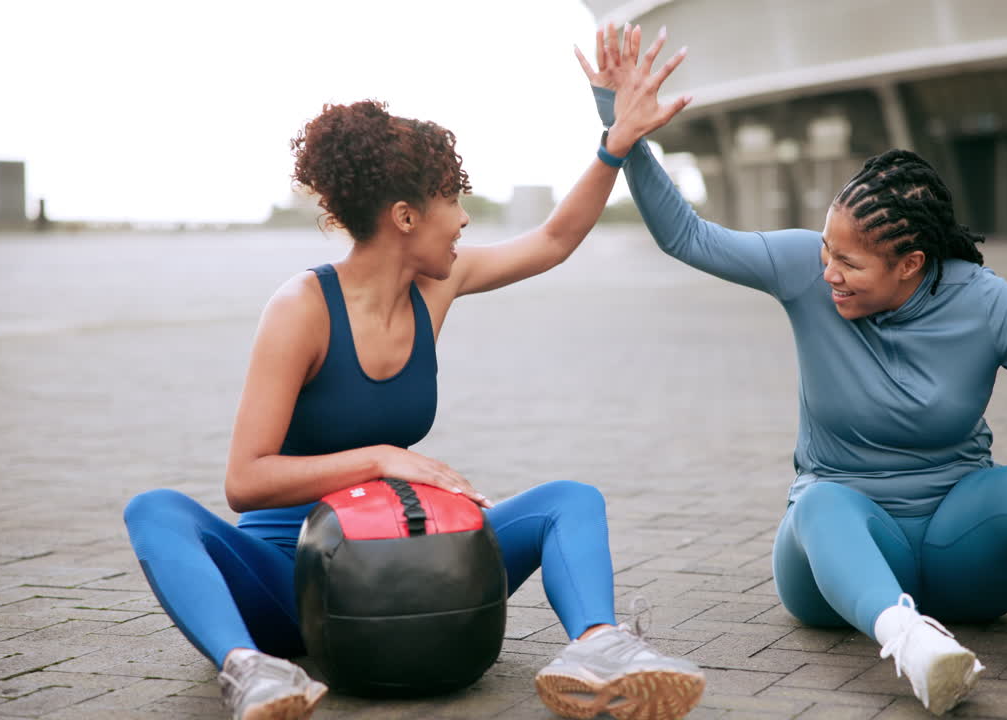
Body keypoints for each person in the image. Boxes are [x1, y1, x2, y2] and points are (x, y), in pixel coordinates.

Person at [577, 24, 1007, 716]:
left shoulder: (986, 305)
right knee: (820, 501)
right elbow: (686, 235)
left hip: (963, 549)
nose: (826, 271)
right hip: (839, 562)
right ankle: (914, 648)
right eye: (826, 250)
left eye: (849, 263)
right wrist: (619, 132)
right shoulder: (805, 270)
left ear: (912, 265)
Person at [123, 30, 705, 720]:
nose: (463, 218)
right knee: (154, 510)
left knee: (570, 500)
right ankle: (251, 671)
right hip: (295, 581)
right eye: (451, 199)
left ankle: (599, 648)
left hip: (408, 565)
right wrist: (380, 459)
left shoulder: (439, 284)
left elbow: (552, 240)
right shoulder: (301, 310)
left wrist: (616, 140)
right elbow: (244, 482)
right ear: (404, 217)